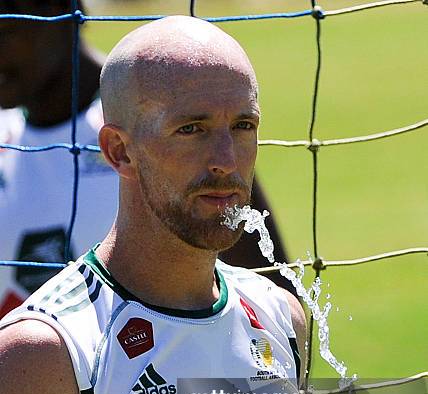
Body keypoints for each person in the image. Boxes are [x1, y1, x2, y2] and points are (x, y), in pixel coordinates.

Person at [0, 15, 325, 394]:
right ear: (119, 149)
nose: (226, 159)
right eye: (192, 130)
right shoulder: (43, 360)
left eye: (243, 126)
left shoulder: (280, 321)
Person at [0, 0, 294, 319]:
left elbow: (270, 318)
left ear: (65, 10)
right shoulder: (6, 133)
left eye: (6, 31)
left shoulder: (170, 123)